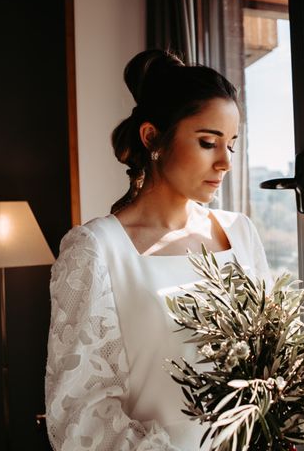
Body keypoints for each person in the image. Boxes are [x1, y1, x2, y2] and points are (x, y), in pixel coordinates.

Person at [44, 49, 271, 451]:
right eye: (207, 142)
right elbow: (80, 414)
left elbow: (271, 355)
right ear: (152, 138)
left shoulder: (240, 233)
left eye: (231, 145)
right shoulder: (95, 250)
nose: (225, 163)